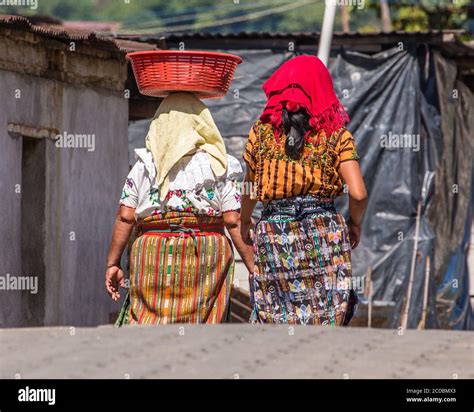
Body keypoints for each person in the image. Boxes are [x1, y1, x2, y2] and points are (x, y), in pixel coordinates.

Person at [105, 92, 254, 325]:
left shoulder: (144, 166)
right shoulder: (221, 165)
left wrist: (112, 264)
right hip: (206, 253)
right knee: (202, 326)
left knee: (149, 324)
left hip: (152, 252)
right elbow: (233, 220)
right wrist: (252, 265)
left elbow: (125, 217)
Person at [240, 55, 367, 326]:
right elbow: (357, 193)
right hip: (325, 233)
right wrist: (354, 223)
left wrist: (244, 221)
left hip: (274, 233)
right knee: (325, 317)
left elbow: (250, 186)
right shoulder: (336, 135)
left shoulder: (260, 134)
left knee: (277, 316)